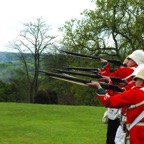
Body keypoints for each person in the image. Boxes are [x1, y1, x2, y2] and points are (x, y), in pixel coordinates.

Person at [86, 68, 144, 144]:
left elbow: (109, 102)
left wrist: (99, 88)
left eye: (137, 79)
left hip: (138, 133)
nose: (135, 81)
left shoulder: (136, 93)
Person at [98, 49, 144, 144]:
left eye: (130, 59)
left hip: (128, 123)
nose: (127, 61)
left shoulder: (127, 72)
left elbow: (105, 78)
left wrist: (105, 67)